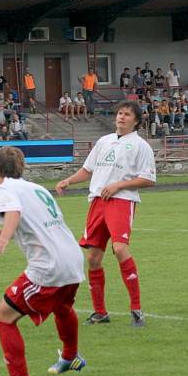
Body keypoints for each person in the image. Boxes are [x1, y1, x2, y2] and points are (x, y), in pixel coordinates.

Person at [0, 147, 86, 376]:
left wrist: (6, 235)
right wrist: (6, 231)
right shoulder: (37, 188)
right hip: (73, 259)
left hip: (48, 266)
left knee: (3, 317)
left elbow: (14, 212)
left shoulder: (4, 189)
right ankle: (70, 356)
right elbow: (38, 219)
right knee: (63, 308)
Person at [55, 100, 156, 327]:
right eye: (119, 113)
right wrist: (69, 180)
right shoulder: (104, 141)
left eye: (127, 114)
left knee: (120, 249)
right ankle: (100, 312)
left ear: (136, 120)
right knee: (92, 258)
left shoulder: (141, 146)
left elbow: (149, 178)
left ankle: (137, 310)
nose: (121, 117)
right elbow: (88, 170)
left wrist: (119, 185)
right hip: (97, 202)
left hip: (121, 201)